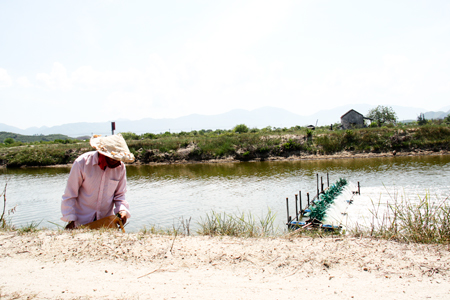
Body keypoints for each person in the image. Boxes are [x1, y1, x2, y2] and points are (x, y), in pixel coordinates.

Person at [61, 134, 135, 230]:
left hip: (105, 222)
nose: (117, 162)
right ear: (103, 153)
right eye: (113, 158)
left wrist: (122, 210)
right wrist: (70, 219)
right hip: (82, 221)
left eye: (119, 159)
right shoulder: (82, 163)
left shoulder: (120, 168)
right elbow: (70, 194)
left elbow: (120, 195)